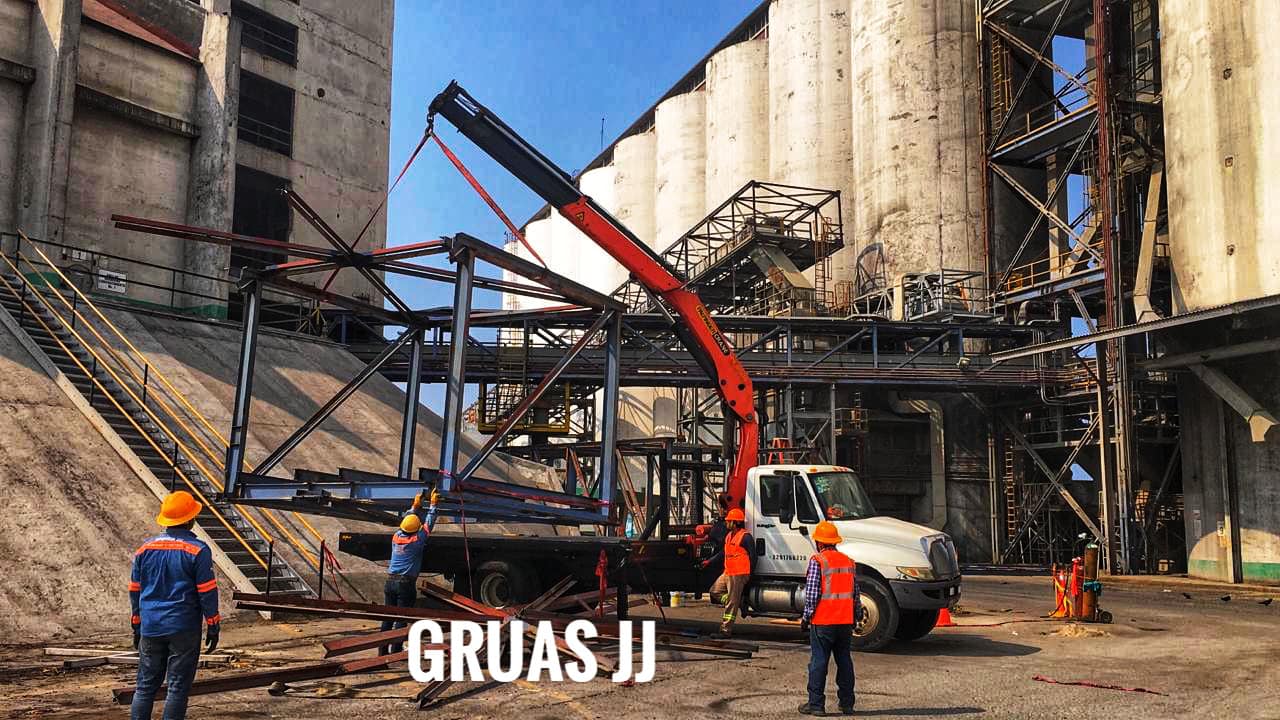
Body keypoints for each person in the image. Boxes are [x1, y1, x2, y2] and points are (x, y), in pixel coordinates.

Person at [128, 491, 221, 720]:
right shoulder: (198, 550)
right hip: (183, 626)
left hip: (151, 625)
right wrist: (213, 624)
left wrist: (137, 624)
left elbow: (135, 590)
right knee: (177, 688)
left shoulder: (145, 549)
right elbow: (207, 592)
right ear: (191, 519)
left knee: (145, 687)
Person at [798, 521, 858, 716]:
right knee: (844, 661)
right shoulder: (849, 562)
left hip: (823, 621)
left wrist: (806, 617)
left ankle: (816, 705)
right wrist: (856, 615)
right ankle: (847, 703)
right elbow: (855, 593)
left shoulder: (818, 561)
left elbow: (813, 593)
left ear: (819, 543)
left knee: (819, 661)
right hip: (845, 622)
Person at [380, 489, 440, 654]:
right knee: (402, 618)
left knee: (388, 617)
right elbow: (429, 523)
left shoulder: (396, 537)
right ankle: (396, 651)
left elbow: (407, 523)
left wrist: (415, 506)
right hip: (405, 584)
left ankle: (382, 651)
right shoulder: (416, 541)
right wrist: (433, 504)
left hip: (390, 582)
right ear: (416, 529)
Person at [701, 507, 753, 634]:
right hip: (728, 572)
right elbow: (724, 552)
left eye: (729, 521)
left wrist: (749, 574)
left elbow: (753, 556)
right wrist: (710, 561)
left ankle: (726, 629)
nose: (726, 523)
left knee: (731, 602)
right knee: (714, 591)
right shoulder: (729, 536)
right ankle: (736, 601)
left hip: (739, 573)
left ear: (736, 523)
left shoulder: (745, 537)